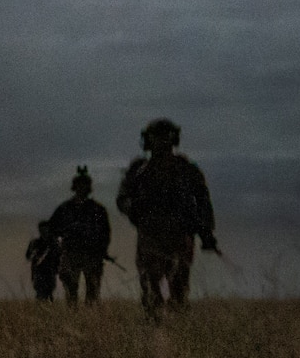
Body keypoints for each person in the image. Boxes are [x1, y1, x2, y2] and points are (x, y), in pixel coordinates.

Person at [116, 119, 216, 319]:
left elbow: (203, 201)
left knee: (178, 290)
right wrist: (135, 210)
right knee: (151, 290)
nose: (161, 142)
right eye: (157, 137)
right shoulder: (140, 170)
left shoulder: (186, 169)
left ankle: (174, 332)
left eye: (165, 137)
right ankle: (156, 333)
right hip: (150, 235)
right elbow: (123, 199)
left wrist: (206, 232)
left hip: (179, 236)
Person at [45, 167, 111, 304]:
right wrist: (60, 246)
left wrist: (101, 249)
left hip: (91, 254)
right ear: (75, 187)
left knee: (92, 293)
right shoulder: (65, 208)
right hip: (71, 252)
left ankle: (89, 321)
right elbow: (52, 229)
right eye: (80, 186)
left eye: (84, 186)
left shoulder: (97, 209)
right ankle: (74, 320)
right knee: (70, 292)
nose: (82, 189)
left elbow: (105, 233)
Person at [24, 221, 60, 301]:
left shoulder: (53, 243)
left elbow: (58, 256)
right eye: (42, 230)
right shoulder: (35, 243)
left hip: (50, 270)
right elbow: (28, 256)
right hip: (39, 271)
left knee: (49, 291)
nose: (44, 232)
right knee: (40, 292)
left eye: (45, 230)